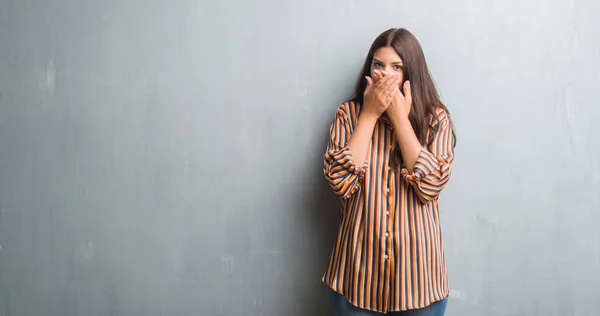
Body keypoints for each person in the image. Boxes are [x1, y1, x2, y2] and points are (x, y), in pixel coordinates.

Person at [321, 28, 457, 316]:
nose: (385, 75)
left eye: (397, 67)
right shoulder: (348, 115)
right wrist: (369, 115)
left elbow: (430, 186)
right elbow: (340, 183)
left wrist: (399, 118)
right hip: (355, 282)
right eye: (378, 65)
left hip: (420, 287)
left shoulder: (436, 120)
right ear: (369, 70)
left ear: (411, 73)